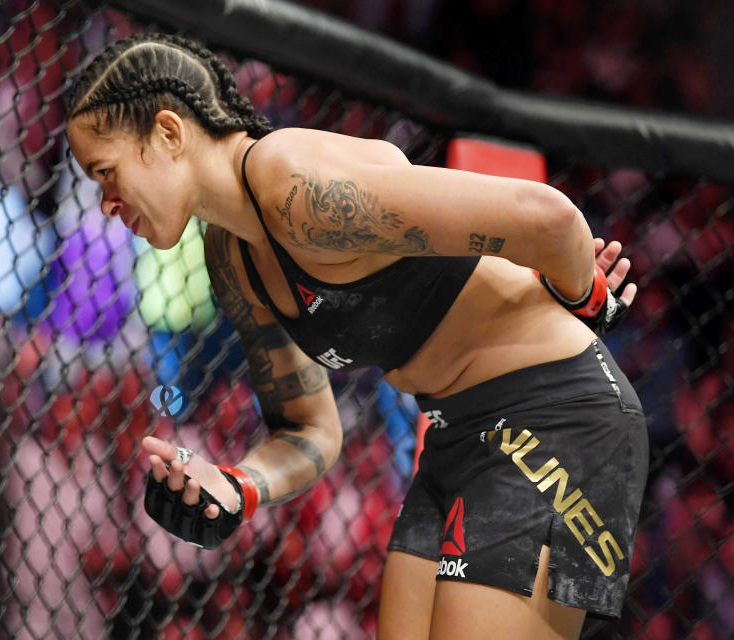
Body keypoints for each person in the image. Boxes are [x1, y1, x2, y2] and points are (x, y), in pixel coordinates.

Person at [65, 32, 649, 640]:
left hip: (552, 413)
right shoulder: (231, 255)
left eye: (107, 172)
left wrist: (589, 301)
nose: (106, 202)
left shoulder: (291, 184)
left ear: (168, 132)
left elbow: (547, 219)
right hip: (456, 437)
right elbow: (309, 430)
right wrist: (237, 486)